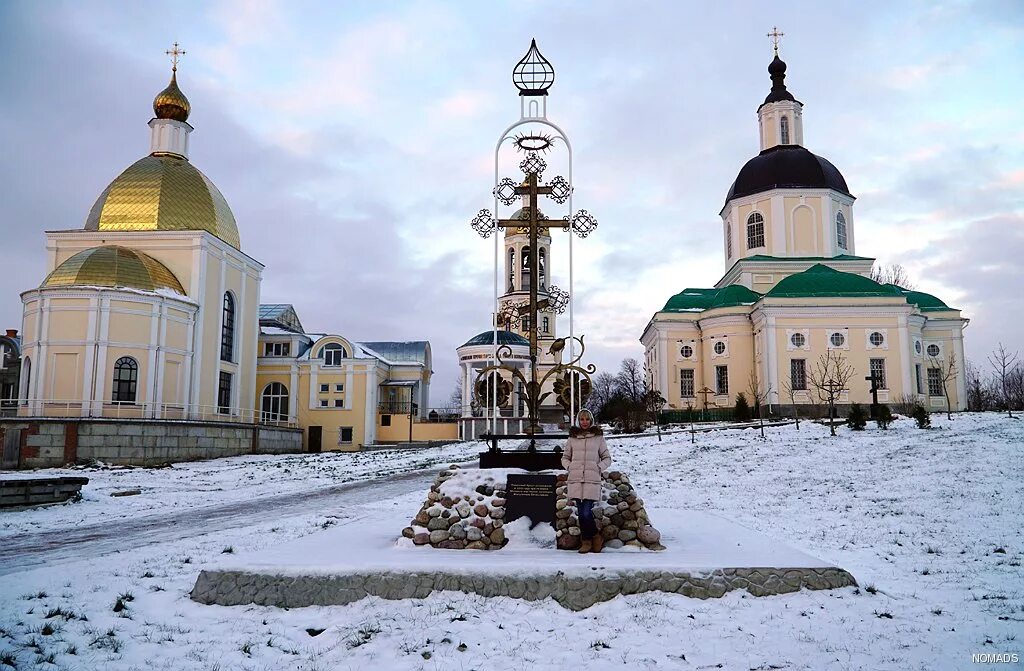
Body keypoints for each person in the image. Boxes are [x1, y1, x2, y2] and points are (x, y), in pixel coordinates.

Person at [561, 408, 611, 554]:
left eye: (587, 419)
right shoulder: (572, 438)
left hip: (591, 479)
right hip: (576, 479)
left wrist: (598, 467)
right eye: (582, 419)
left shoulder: (598, 438)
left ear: (591, 421)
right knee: (582, 514)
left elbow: (607, 458)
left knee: (585, 513)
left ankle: (593, 537)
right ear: (578, 421)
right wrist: (570, 467)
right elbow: (565, 457)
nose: (584, 422)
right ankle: (589, 540)